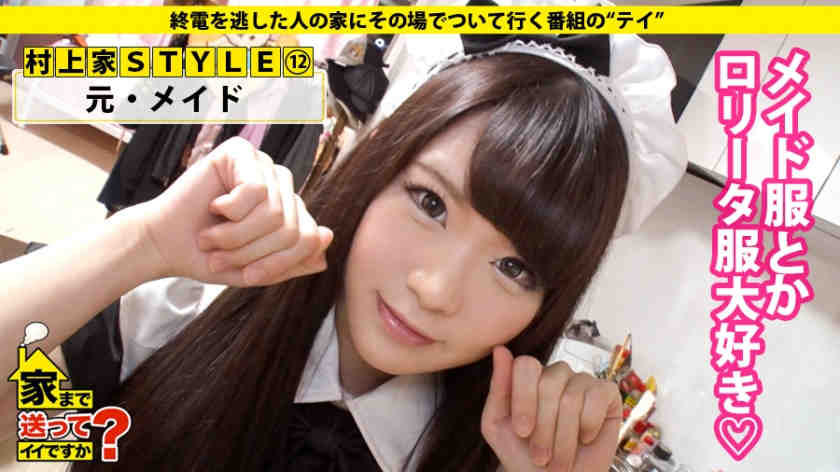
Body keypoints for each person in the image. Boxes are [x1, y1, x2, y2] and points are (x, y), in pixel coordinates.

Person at [0, 29, 686, 472]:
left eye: (515, 268)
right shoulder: (179, 322)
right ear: (374, 169)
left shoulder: (487, 455)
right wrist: (140, 243)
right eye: (430, 203)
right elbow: (26, 427)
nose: (436, 289)